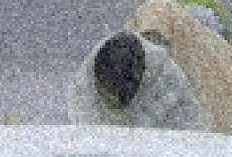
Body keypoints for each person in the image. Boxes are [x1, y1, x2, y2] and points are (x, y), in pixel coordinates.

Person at [68, 29, 209, 130]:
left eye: (116, 102)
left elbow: (191, 139)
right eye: (105, 94)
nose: (109, 104)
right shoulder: (87, 78)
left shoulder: (169, 84)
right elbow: (83, 127)